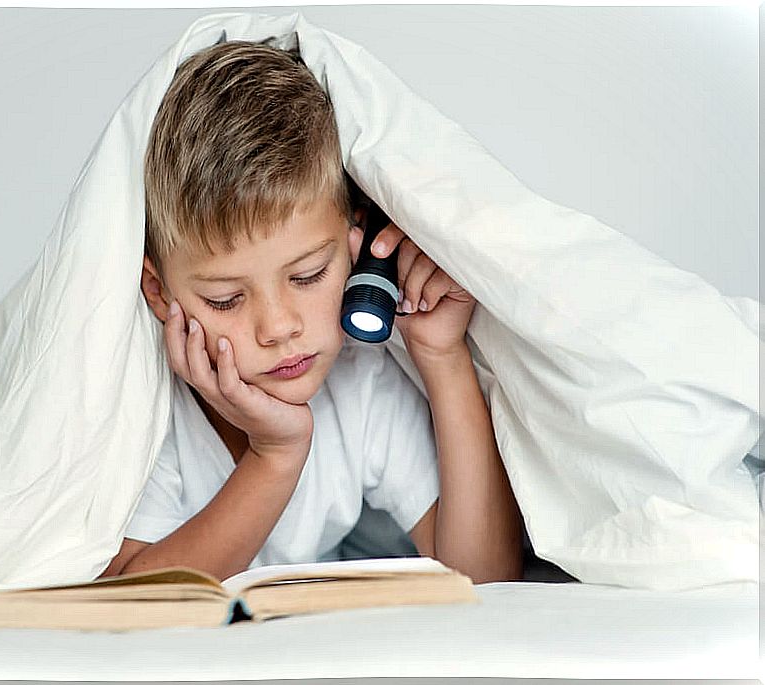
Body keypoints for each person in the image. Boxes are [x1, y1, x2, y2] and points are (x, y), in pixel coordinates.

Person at [100, 40, 523, 584]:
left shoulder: (360, 376)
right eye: (226, 299)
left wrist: (442, 357)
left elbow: (485, 580)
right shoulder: (146, 406)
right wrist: (275, 455)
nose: (279, 327)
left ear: (357, 240)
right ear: (159, 292)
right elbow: (125, 598)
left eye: (307, 276)